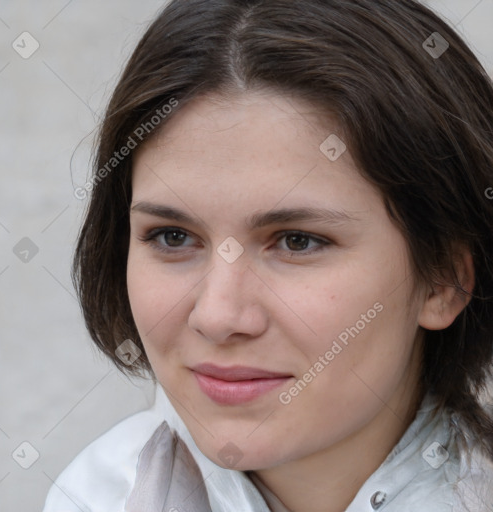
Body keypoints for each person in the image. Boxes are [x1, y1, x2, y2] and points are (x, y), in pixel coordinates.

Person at [43, 0, 493, 510]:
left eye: (297, 241)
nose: (217, 316)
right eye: (172, 237)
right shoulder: (96, 495)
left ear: (443, 280)